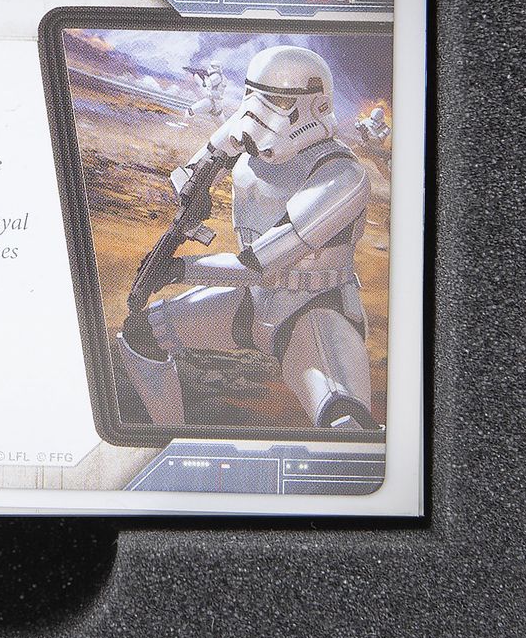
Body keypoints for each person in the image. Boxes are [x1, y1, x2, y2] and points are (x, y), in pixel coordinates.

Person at [116, 44, 378, 429]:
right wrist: (199, 183)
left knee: (346, 424)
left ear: (317, 105)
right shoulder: (250, 147)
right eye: (253, 95)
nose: (258, 112)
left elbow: (258, 264)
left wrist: (178, 270)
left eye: (276, 101)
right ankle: (173, 439)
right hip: (251, 302)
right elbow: (191, 175)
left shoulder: (341, 175)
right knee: (140, 335)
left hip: (313, 309)